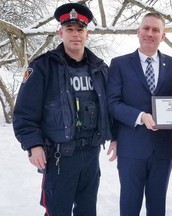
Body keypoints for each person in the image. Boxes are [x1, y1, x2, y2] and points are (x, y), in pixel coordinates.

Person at [13, 3, 114, 216]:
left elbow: (111, 108)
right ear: (61, 32)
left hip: (91, 156)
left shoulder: (100, 69)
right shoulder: (42, 67)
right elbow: (24, 113)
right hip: (60, 158)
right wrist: (34, 144)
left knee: (87, 211)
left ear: (87, 34)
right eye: (69, 29)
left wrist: (115, 135)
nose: (75, 34)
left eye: (80, 30)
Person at [106, 12, 172, 216]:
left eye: (156, 30)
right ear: (138, 31)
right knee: (130, 206)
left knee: (157, 207)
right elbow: (113, 104)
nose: (150, 33)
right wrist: (140, 116)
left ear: (163, 36)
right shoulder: (119, 64)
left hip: (163, 150)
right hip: (131, 148)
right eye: (146, 28)